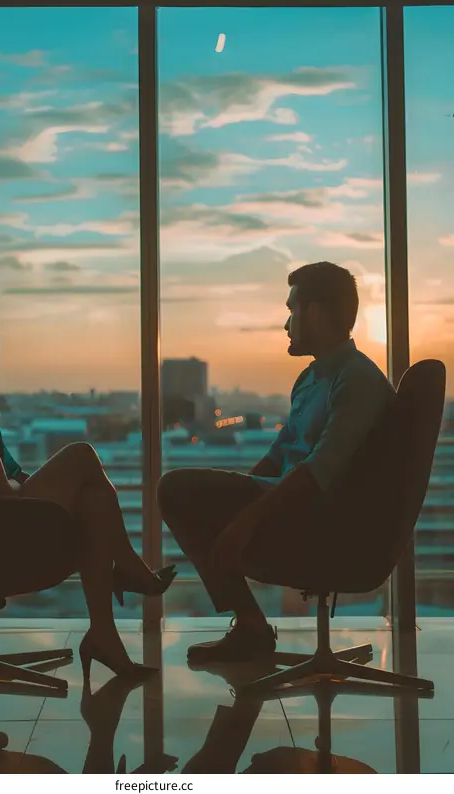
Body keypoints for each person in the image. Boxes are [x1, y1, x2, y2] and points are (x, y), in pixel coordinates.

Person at [0, 283, 176, 681]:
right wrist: (32, 489)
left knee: (92, 500)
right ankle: (131, 572)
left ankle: (105, 631)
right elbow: (0, 492)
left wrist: (37, 486)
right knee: (83, 454)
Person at [157, 262, 396, 664]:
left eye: (292, 310)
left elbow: (319, 472)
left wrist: (242, 525)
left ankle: (250, 625)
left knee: (173, 489)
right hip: (295, 509)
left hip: (326, 521)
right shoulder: (309, 380)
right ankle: (249, 624)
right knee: (187, 496)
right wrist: (230, 500)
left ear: (315, 313)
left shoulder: (356, 380)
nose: (286, 324)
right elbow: (277, 456)